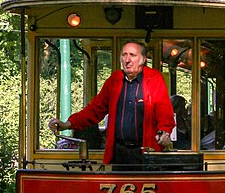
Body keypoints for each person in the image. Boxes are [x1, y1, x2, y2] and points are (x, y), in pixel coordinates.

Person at [48, 41, 175, 169]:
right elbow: (95, 109)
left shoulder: (153, 78)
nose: (127, 60)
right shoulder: (114, 80)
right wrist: (67, 124)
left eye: (132, 55)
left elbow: (163, 109)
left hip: (145, 152)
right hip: (119, 152)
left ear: (143, 60)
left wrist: (165, 131)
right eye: (124, 55)